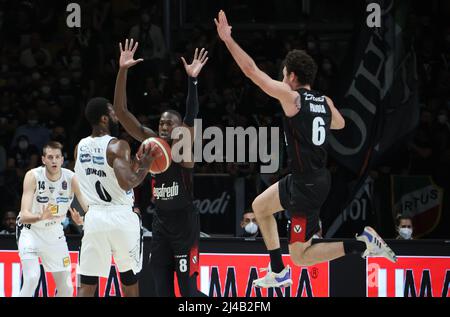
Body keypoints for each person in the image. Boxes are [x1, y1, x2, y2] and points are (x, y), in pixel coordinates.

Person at [215, 10, 397, 288]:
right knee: (260, 206)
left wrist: (228, 40)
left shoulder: (292, 98)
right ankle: (278, 271)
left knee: (300, 257)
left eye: (284, 74)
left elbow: (252, 71)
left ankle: (361, 245)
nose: (282, 77)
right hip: (309, 178)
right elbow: (339, 123)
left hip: (306, 187)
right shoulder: (324, 102)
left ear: (291, 76)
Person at [113, 39, 208, 297]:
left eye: (171, 124)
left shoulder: (184, 153)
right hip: (160, 224)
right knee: (161, 290)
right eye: (163, 124)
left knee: (189, 292)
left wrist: (193, 81)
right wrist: (123, 70)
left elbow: (191, 117)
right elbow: (121, 112)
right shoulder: (150, 143)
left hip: (185, 225)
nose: (165, 127)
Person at [74, 97, 154, 297]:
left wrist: (132, 166)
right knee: (128, 277)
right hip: (120, 217)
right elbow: (127, 183)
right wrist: (145, 165)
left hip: (94, 218)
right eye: (112, 113)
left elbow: (105, 176)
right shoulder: (118, 145)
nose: (116, 117)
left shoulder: (79, 147)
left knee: (87, 281)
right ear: (103, 119)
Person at [16, 142, 87, 297]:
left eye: (57, 157)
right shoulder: (33, 176)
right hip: (31, 233)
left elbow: (88, 208)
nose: (54, 160)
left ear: (62, 160)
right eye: (50, 157)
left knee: (68, 288)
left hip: (55, 233)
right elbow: (23, 216)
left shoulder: (71, 178)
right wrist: (40, 216)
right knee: (32, 278)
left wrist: (82, 220)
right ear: (43, 159)